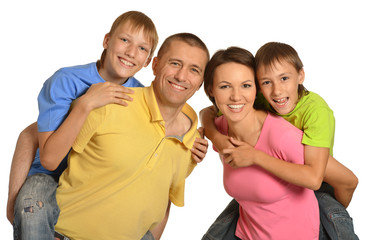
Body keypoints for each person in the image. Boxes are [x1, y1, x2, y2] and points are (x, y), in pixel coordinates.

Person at [7, 11, 204, 240]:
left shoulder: (139, 95)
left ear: (149, 61)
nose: (131, 53)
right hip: (51, 176)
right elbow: (31, 139)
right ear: (107, 40)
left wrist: (188, 142)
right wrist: (86, 104)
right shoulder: (67, 81)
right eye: (124, 40)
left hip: (93, 188)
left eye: (142, 48)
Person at [53, 32, 210, 239]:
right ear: (155, 65)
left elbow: (163, 200)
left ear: (200, 82)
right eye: (175, 63)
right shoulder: (108, 102)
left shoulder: (191, 140)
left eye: (194, 70)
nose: (181, 76)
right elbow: (42, 143)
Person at [201, 42, 359, 239]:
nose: (276, 91)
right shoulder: (250, 105)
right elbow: (206, 114)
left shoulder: (313, 114)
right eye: (266, 82)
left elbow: (322, 179)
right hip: (258, 213)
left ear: (300, 76)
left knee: (326, 209)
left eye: (284, 78)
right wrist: (217, 138)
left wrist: (333, 213)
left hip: (317, 181)